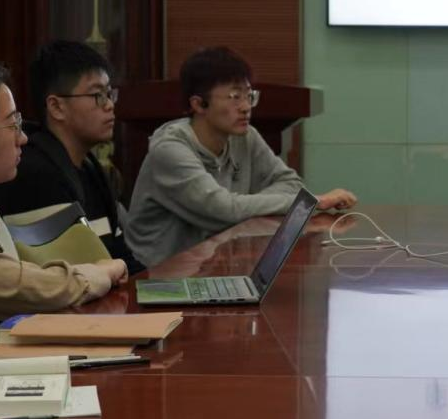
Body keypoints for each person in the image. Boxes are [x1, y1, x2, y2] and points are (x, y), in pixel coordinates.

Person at [126, 46, 356, 267]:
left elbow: (291, 183)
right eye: (235, 97)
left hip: (213, 263)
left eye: (249, 95)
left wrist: (244, 206)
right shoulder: (170, 149)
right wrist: (311, 202)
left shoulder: (245, 137)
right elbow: (222, 210)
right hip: (157, 273)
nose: (246, 107)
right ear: (199, 104)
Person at [0, 63, 127, 339]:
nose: (23, 138)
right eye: (12, 125)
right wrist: (101, 272)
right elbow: (27, 288)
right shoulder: (39, 175)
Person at [0, 40, 143, 273]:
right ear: (56, 107)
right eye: (98, 95)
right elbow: (72, 277)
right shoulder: (34, 174)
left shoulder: (91, 169)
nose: (109, 105)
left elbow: (122, 258)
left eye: (110, 94)